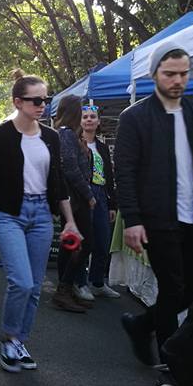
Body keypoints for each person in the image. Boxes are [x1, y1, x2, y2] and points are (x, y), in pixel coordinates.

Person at [115, 45, 193, 366]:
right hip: (157, 219)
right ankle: (172, 363)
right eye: (170, 73)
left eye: (183, 73)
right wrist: (133, 220)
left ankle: (141, 324)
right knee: (172, 288)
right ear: (154, 73)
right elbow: (125, 174)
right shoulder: (135, 118)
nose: (177, 80)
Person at [0, 71, 79, 373]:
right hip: (9, 216)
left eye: (45, 99)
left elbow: (58, 183)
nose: (42, 105)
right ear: (18, 102)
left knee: (35, 286)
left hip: (42, 216)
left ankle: (20, 341)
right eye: (36, 100)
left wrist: (70, 221)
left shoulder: (52, 136)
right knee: (20, 281)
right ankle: (8, 338)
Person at [52, 95, 94, 313]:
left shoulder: (67, 134)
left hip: (72, 197)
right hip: (75, 198)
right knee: (82, 243)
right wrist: (89, 195)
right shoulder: (66, 134)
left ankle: (64, 289)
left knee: (72, 245)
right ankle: (64, 289)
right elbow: (71, 168)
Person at [78, 104, 119, 299]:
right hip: (84, 195)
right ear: (80, 121)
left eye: (92, 117)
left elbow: (109, 176)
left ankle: (97, 281)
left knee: (103, 241)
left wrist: (112, 203)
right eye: (85, 116)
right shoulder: (76, 144)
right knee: (85, 241)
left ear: (98, 121)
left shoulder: (102, 147)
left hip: (102, 194)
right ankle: (80, 282)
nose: (88, 120)